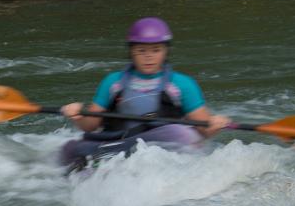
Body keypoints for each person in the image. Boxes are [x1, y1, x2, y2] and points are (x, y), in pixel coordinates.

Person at [58, 17, 231, 170]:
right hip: (119, 143)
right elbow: (91, 126)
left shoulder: (182, 84)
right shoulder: (114, 82)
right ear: (132, 51)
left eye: (156, 50)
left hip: (161, 145)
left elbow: (204, 131)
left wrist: (214, 125)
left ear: (165, 51)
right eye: (141, 50)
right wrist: (78, 116)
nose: (149, 57)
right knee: (69, 149)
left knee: (184, 134)